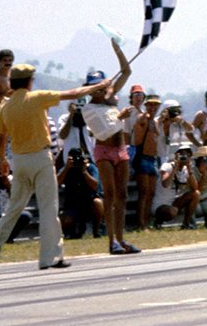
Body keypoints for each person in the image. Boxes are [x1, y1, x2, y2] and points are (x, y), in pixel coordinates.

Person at [0, 56, 111, 274]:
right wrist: (99, 86)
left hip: (19, 160)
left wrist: (3, 159)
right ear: (29, 81)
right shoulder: (37, 98)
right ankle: (49, 257)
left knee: (13, 208)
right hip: (41, 158)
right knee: (49, 208)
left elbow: (1, 138)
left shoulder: (6, 107)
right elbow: (72, 94)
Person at [79, 41, 141, 256]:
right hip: (104, 151)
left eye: (100, 86)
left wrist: (117, 49)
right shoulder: (88, 108)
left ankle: (122, 239)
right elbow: (103, 133)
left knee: (122, 194)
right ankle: (111, 240)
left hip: (121, 149)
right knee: (110, 194)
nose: (98, 90)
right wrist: (120, 118)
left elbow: (126, 71)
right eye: (94, 86)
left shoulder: (110, 98)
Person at [131, 93, 163, 228]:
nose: (153, 107)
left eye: (155, 105)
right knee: (144, 192)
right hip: (143, 157)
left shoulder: (155, 121)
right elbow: (137, 137)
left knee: (151, 193)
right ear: (146, 105)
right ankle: (141, 223)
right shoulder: (143, 118)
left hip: (152, 158)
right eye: (150, 104)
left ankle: (146, 221)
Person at [58, 147, 104, 239]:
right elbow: (57, 183)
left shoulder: (90, 167)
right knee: (66, 220)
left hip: (89, 200)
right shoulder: (66, 168)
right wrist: (67, 168)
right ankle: (71, 232)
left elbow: (95, 185)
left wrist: (84, 171)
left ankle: (97, 230)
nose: (76, 160)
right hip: (72, 202)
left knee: (98, 203)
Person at [155, 143, 199, 229]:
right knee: (173, 211)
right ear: (176, 155)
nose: (184, 156)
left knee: (196, 194)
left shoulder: (186, 170)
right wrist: (175, 168)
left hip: (173, 202)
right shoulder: (167, 166)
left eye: (187, 154)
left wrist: (189, 170)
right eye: (181, 154)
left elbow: (195, 187)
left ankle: (186, 224)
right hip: (160, 204)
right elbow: (165, 184)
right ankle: (158, 221)